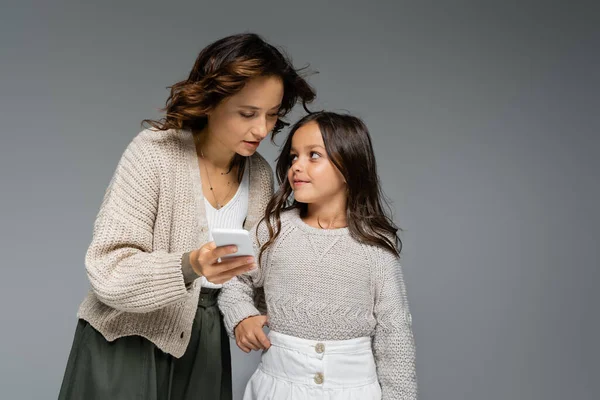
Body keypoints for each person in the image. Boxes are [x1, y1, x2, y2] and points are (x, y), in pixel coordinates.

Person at [58, 33, 315, 400]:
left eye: (272, 115)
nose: (262, 130)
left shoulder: (258, 175)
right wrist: (191, 265)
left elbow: (250, 277)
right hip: (127, 340)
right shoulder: (154, 152)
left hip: (204, 344)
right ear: (210, 103)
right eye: (247, 114)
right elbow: (107, 269)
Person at [218, 111, 417, 399]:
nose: (297, 166)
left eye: (313, 155)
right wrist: (242, 317)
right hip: (278, 387)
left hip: (354, 390)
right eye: (294, 157)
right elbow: (233, 278)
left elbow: (395, 334)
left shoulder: (376, 247)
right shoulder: (272, 229)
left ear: (349, 165)